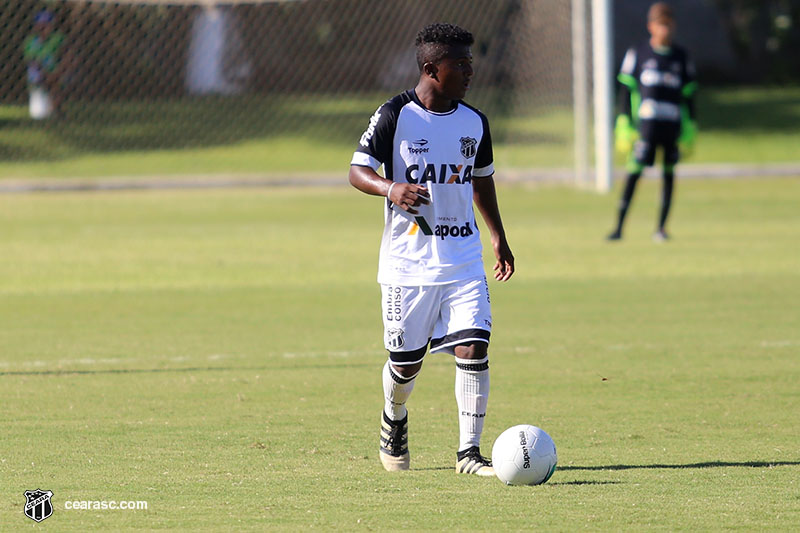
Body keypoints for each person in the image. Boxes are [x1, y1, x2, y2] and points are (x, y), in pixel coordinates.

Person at [349, 23, 514, 476]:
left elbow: (481, 180)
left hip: (463, 259)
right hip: (408, 266)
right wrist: (391, 188)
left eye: (470, 63)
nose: (469, 72)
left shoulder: (475, 122)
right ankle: (394, 415)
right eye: (460, 64)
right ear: (431, 69)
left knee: (473, 347)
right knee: (405, 367)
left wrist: (497, 235)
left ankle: (469, 453)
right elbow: (357, 171)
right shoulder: (394, 115)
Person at [608, 2, 697, 242]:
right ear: (651, 26)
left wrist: (690, 127)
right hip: (645, 127)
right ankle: (619, 227)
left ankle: (661, 228)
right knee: (634, 173)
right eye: (660, 25)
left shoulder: (681, 57)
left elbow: (689, 94)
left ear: (673, 26)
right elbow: (626, 90)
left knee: (668, 174)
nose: (664, 30)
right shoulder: (638, 53)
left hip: (671, 127)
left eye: (668, 25)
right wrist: (624, 122)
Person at [23, 9, 73, 118]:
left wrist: (57, 73)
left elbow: (68, 57)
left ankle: (57, 108)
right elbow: (33, 62)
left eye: (46, 24)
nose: (43, 28)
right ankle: (47, 103)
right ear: (35, 26)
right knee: (39, 115)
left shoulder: (58, 38)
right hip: (39, 74)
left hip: (57, 72)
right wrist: (46, 75)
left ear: (52, 25)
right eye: (40, 25)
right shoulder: (30, 41)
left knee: (58, 80)